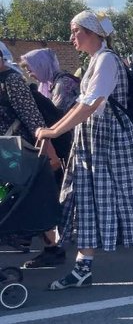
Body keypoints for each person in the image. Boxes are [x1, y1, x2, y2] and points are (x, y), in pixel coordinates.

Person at [37, 10, 133, 290]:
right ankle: (83, 268)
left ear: (93, 33)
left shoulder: (106, 60)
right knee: (88, 199)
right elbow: (84, 106)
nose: (72, 38)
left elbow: (91, 103)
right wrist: (57, 129)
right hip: (93, 139)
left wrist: (54, 131)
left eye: (76, 31)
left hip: (113, 140)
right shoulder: (95, 60)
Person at [1, 41, 62, 266]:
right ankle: (29, 239)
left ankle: (52, 248)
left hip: (18, 152)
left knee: (29, 198)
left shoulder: (12, 81)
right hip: (6, 153)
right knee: (13, 200)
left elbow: (32, 117)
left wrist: (48, 152)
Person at [20, 48, 80, 113]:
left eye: (30, 71)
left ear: (41, 66)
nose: (30, 75)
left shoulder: (63, 83)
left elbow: (56, 114)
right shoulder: (52, 83)